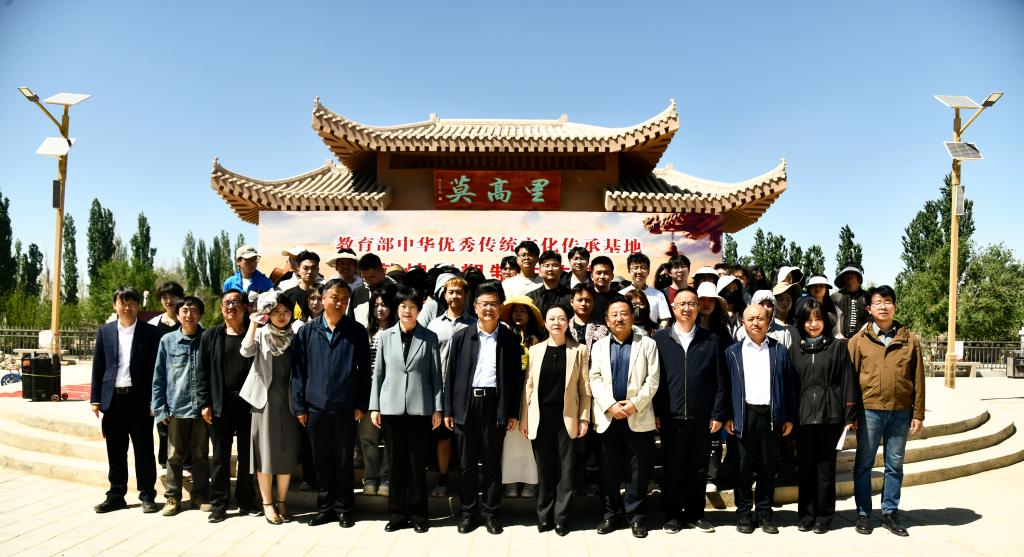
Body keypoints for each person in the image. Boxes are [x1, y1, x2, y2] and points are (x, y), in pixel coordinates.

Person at [443, 282, 523, 535]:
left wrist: (513, 412)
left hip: (494, 405)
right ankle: (468, 513)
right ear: (475, 307)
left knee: (492, 463)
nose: (489, 308)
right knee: (466, 464)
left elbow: (516, 379)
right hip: (466, 404)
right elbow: (450, 375)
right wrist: (448, 410)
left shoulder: (510, 339)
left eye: (493, 304)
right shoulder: (462, 337)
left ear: (500, 308)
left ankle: (490, 514)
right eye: (484, 304)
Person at [291, 279, 372, 528]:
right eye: (335, 297)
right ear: (323, 298)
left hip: (346, 407)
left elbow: (364, 372)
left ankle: (344, 508)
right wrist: (299, 406)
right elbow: (298, 372)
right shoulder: (307, 332)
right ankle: (325, 508)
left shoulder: (356, 331)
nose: (339, 303)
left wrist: (361, 404)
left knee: (344, 460)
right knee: (321, 461)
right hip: (315, 407)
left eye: (344, 299)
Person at [849, 285, 925, 538]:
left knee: (895, 465)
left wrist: (918, 413)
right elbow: (850, 380)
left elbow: (918, 378)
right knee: (864, 463)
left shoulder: (910, 340)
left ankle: (890, 513)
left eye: (888, 301)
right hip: (869, 411)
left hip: (900, 412)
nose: (883, 306)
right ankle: (863, 513)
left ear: (895, 306)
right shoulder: (859, 341)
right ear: (869, 309)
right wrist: (851, 414)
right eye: (878, 302)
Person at [369, 286, 444, 533]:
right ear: (397, 309)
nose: (407, 311)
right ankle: (397, 515)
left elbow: (436, 376)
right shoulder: (386, 336)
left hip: (420, 409)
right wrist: (375, 406)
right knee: (396, 465)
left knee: (416, 464)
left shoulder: (429, 337)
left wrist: (438, 409)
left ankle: (419, 516)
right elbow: (378, 374)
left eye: (412, 307)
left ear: (419, 310)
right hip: (390, 408)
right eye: (403, 306)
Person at [653, 288, 728, 534]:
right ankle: (673, 516)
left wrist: (717, 413)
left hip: (701, 417)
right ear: (673, 308)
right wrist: (656, 412)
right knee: (672, 467)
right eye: (682, 304)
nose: (687, 308)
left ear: (698, 309)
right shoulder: (660, 339)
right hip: (670, 416)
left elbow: (719, 380)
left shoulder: (710, 339)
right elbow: (655, 380)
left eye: (692, 304)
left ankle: (696, 514)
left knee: (698, 467)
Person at [590, 297, 660, 538]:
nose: (619, 318)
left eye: (624, 313)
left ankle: (637, 517)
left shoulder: (648, 344)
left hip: (637, 415)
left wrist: (634, 404)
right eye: (614, 315)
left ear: (632, 317)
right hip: (608, 417)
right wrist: (610, 405)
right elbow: (594, 378)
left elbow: (653, 380)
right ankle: (611, 514)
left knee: (637, 471)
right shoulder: (599, 346)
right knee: (608, 470)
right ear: (607, 321)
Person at [519, 304, 592, 536]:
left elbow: (585, 389)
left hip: (567, 418)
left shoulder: (579, 350)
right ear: (545, 322)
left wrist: (584, 418)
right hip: (540, 418)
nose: (556, 322)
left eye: (561, 318)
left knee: (566, 471)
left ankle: (561, 518)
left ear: (568, 323)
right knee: (545, 469)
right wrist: (524, 419)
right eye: (552, 318)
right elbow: (528, 387)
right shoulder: (535, 350)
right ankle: (544, 516)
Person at [724, 304, 796, 535]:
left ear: (768, 321)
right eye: (750, 319)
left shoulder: (779, 350)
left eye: (760, 318)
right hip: (744, 416)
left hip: (771, 417)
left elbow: (789, 386)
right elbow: (725, 387)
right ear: (742, 323)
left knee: (767, 466)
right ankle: (744, 513)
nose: (755, 323)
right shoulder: (732, 352)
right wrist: (728, 415)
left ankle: (765, 513)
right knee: (743, 467)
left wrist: (788, 416)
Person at [90, 287, 161, 514]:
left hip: (139, 400)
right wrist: (95, 399)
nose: (127, 307)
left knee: (144, 450)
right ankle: (116, 494)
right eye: (123, 303)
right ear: (115, 305)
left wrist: (155, 400)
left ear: (138, 306)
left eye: (131, 303)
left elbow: (156, 370)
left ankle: (147, 494)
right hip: (113, 400)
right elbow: (98, 366)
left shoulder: (151, 333)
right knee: (115, 450)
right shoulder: (106, 331)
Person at [790, 298, 858, 534]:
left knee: (825, 469)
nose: (813, 324)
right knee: (805, 468)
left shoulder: (837, 348)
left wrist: (849, 415)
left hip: (830, 416)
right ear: (801, 323)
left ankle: (824, 516)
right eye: (808, 320)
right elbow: (790, 386)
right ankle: (806, 515)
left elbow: (848, 382)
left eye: (817, 319)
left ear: (825, 322)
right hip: (803, 417)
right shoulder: (795, 350)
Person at [196, 288, 259, 523]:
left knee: (247, 456)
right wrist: (204, 402)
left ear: (245, 307)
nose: (231, 307)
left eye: (235, 302)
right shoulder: (211, 336)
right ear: (221, 308)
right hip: (221, 404)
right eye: (226, 303)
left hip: (249, 405)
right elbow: (201, 372)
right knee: (220, 457)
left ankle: (246, 500)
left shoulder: (255, 333)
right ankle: (219, 504)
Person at [240, 291, 299, 525]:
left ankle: (282, 501)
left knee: (286, 451)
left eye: (286, 312)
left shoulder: (296, 334)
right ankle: (267, 503)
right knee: (264, 453)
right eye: (276, 312)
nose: (281, 316)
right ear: (268, 314)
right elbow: (245, 351)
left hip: (290, 399)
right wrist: (254, 324)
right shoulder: (261, 333)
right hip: (264, 399)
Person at [151, 296, 210, 516]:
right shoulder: (167, 341)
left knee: (200, 454)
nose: (189, 314)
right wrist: (160, 408)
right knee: (174, 456)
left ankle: (200, 495)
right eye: (184, 310)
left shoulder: (208, 338)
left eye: (193, 310)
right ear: (177, 315)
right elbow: (159, 376)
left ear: (200, 314)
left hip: (202, 409)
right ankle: (172, 497)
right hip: (176, 407)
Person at [426, 276, 477, 497]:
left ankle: (468, 483)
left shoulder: (475, 324)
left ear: (466, 295)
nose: (455, 296)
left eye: (459, 292)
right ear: (444, 295)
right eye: (451, 292)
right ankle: (443, 479)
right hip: (440, 389)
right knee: (443, 438)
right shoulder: (434, 325)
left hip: (467, 390)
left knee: (467, 439)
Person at [498, 296, 543, 499]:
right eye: (515, 310)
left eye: (523, 311)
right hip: (510, 391)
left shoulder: (539, 338)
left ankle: (530, 481)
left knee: (528, 436)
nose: (518, 314)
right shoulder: (504, 336)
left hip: (532, 392)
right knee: (510, 437)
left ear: (530, 315)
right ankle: (510, 481)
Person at [361, 285, 397, 497]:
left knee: (391, 438)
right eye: (376, 306)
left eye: (384, 305)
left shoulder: (398, 331)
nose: (380, 309)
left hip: (391, 391)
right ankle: (371, 477)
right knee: (368, 438)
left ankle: (386, 477)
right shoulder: (365, 332)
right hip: (368, 391)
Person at [148, 280, 183, 470]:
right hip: (162, 379)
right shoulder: (153, 324)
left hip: (183, 380)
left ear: (180, 297)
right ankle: (164, 460)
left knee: (183, 424)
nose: (168, 300)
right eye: (164, 297)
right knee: (163, 424)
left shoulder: (188, 320)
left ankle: (185, 462)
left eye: (172, 296)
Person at [619, 252, 671, 328]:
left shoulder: (658, 295)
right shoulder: (621, 294)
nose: (639, 271)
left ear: (648, 271)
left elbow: (665, 320)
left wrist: (656, 333)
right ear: (629, 271)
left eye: (643, 267)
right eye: (635, 268)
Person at [348, 253, 394, 328]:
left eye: (371, 277)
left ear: (382, 271)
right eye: (364, 277)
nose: (368, 281)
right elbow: (350, 322)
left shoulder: (397, 291)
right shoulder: (357, 293)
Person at [527, 250, 572, 316]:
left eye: (555, 265)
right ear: (540, 270)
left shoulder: (570, 296)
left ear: (561, 270)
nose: (550, 269)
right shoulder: (531, 297)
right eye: (547, 265)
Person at [833, 264, 872, 338]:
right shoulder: (835, 297)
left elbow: (872, 319)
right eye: (846, 273)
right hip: (839, 341)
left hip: (863, 339)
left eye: (852, 273)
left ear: (859, 277)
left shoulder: (867, 297)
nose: (849, 275)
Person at [280, 250, 320, 321]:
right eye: (305, 268)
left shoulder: (324, 292)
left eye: (313, 268)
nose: (309, 271)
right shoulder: (287, 295)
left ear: (318, 270)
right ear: (298, 270)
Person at [568, 283, 608, 350]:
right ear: (572, 302)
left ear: (593, 303)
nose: (583, 304)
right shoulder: (565, 327)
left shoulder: (602, 329)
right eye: (580, 300)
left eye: (588, 300)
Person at [589, 256, 617, 321]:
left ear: (612, 276)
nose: (602, 276)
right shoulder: (586, 298)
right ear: (592, 276)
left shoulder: (620, 299)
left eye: (606, 273)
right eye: (598, 273)